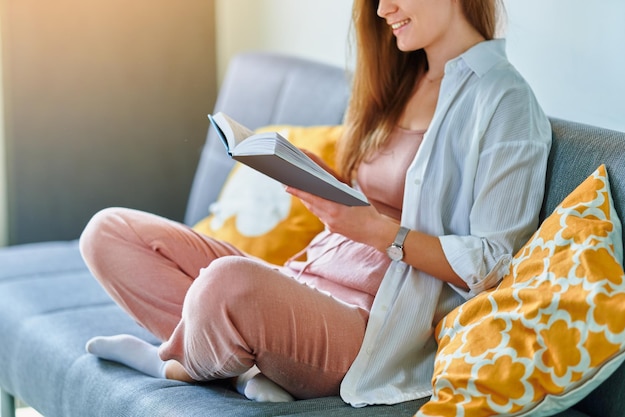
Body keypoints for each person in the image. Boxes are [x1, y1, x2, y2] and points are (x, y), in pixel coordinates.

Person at [80, 0, 552, 407]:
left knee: (226, 285)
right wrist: (325, 184)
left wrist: (375, 230)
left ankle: (175, 364)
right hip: (303, 278)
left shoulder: (504, 102)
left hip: (370, 325)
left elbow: (497, 265)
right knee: (109, 233)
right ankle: (245, 366)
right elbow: (378, 201)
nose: (383, 9)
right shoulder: (400, 79)